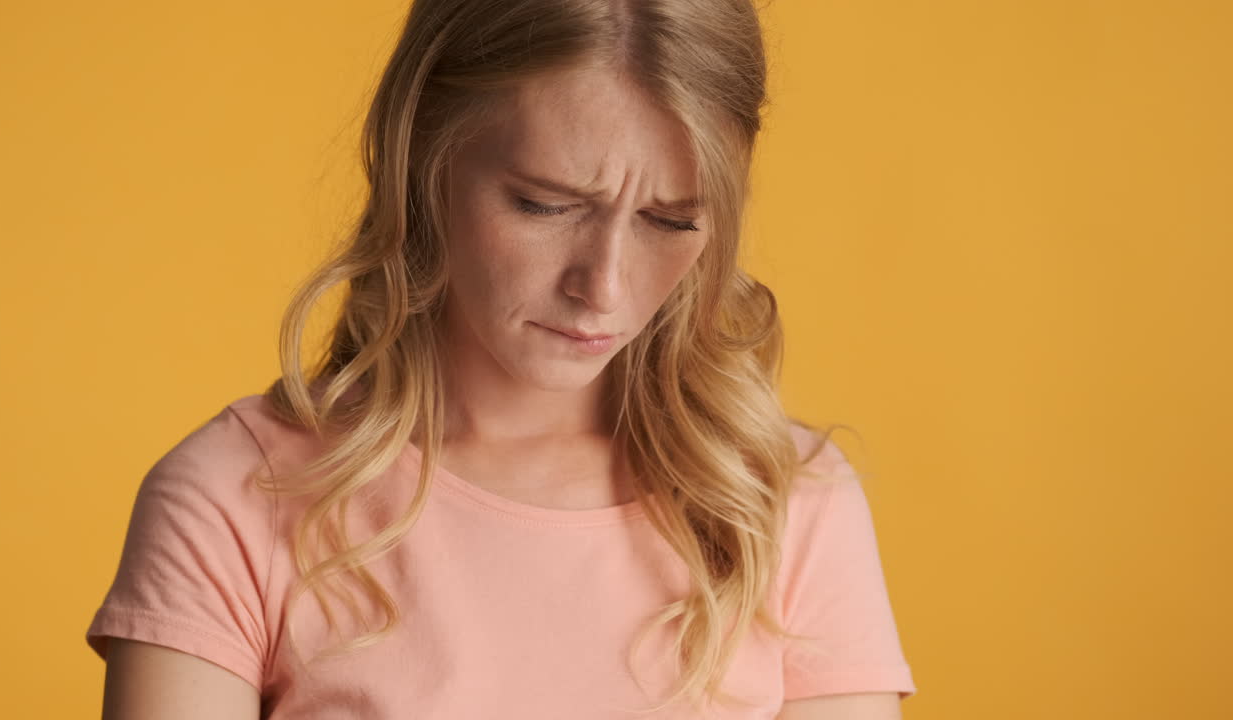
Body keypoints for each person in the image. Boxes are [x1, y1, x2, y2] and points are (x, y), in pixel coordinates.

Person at [85, 0, 917, 718]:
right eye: (546, 204)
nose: (604, 287)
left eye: (670, 221)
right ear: (422, 152)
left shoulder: (783, 506)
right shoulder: (235, 498)